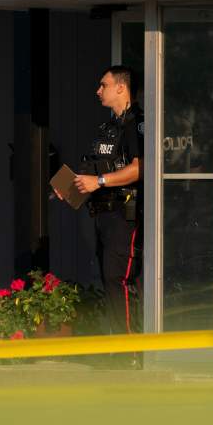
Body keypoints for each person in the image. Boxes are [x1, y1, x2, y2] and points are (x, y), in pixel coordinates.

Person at [72, 65, 143, 337]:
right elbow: (95, 166)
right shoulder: (108, 127)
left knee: (119, 279)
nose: (98, 90)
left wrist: (99, 182)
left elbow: (140, 168)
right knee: (108, 279)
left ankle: (131, 349)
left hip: (125, 213)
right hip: (101, 214)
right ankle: (119, 343)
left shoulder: (137, 123)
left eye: (103, 85)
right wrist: (71, 188)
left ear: (121, 87)